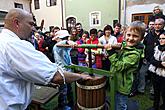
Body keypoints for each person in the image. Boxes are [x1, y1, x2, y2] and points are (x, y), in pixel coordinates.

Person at [0, 8, 91, 110]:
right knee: (63, 94)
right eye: (31, 24)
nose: (33, 29)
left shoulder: (3, 41)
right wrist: (81, 77)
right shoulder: (14, 45)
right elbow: (56, 77)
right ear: (17, 23)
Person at [104, 21, 145, 110]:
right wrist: (118, 46)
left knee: (121, 105)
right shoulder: (126, 46)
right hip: (115, 81)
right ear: (124, 35)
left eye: (135, 36)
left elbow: (119, 66)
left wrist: (111, 53)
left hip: (123, 85)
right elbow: (123, 46)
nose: (130, 38)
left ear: (141, 38)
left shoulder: (134, 54)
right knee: (114, 102)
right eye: (129, 35)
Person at [147, 32, 165, 110]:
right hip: (155, 73)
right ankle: (155, 106)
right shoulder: (157, 48)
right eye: (160, 38)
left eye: (163, 38)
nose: (161, 40)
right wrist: (161, 63)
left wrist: (156, 63)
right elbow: (151, 60)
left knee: (164, 93)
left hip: (164, 75)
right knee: (156, 92)